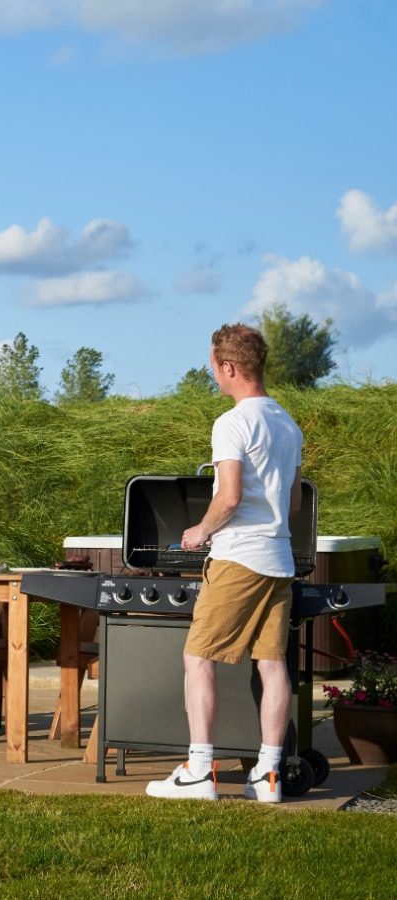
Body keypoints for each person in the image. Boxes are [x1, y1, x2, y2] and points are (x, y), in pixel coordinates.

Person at [146, 323, 303, 803]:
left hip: (237, 558)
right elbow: (294, 502)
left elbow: (229, 496)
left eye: (215, 368)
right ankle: (269, 776)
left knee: (199, 658)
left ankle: (198, 772)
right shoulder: (287, 423)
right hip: (278, 558)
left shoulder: (232, 423)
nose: (215, 376)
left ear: (229, 367)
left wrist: (200, 531)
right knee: (273, 665)